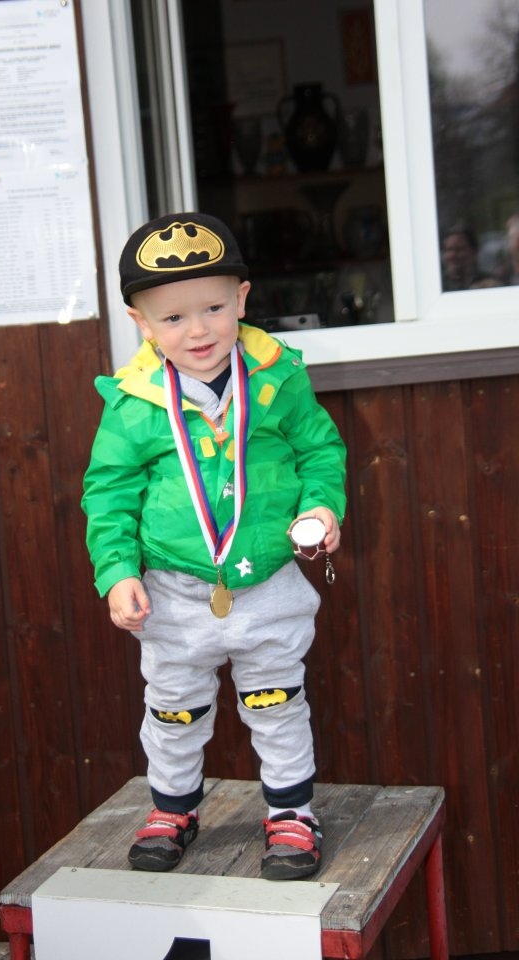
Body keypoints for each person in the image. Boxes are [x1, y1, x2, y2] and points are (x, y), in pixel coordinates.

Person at [81, 212, 347, 882]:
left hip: (269, 580)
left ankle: (292, 813)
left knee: (277, 702)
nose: (197, 330)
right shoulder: (134, 402)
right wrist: (117, 571)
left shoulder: (277, 377)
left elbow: (320, 450)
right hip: (172, 591)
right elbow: (108, 493)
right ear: (142, 324)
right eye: (172, 318)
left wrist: (322, 505)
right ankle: (173, 808)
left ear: (242, 300)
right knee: (173, 708)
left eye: (213, 308)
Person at [440, 223, 500, 290]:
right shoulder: (438, 285)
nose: (452, 255)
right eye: (448, 250)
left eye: (459, 249)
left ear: (474, 251)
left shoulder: (489, 285)